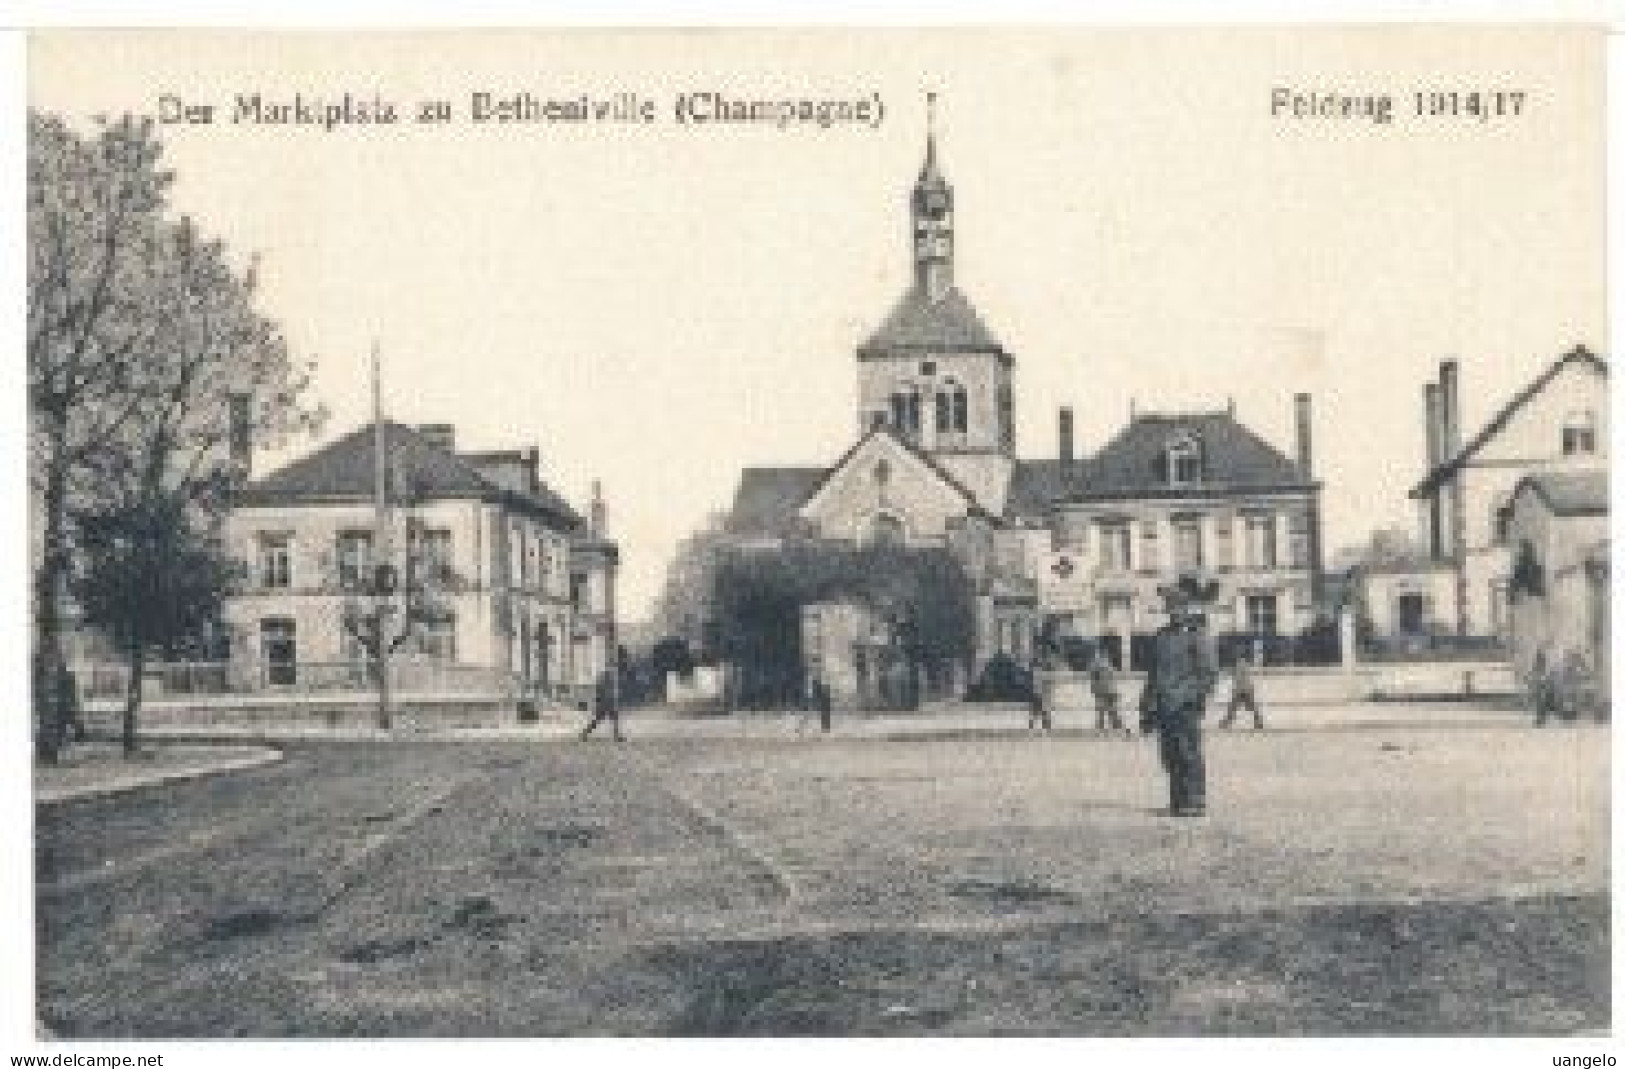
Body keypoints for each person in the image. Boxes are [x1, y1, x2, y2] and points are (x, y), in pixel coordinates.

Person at [1139, 577, 1220, 817]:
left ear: (1185, 609)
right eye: (1169, 607)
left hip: (1185, 705)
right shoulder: (1160, 637)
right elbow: (1153, 675)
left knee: (1189, 752)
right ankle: (1177, 801)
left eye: (1177, 607)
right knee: (1169, 754)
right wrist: (1147, 707)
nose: (1173, 612)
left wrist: (1192, 698)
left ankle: (1195, 801)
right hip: (1164, 705)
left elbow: (1208, 672)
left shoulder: (1197, 635)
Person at [1219, 644, 1265, 729]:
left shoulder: (1240, 664)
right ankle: (1258, 722)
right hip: (1245, 689)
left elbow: (1239, 677)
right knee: (1247, 707)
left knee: (1233, 707)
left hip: (1242, 689)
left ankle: (1225, 723)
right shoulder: (1243, 664)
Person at [1089, 648, 1129, 734]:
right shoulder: (1107, 666)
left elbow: (1094, 678)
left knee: (1103, 709)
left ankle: (1106, 726)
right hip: (1108, 690)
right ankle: (1113, 725)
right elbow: (1112, 678)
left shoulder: (1097, 665)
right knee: (1109, 709)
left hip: (1104, 690)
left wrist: (1094, 689)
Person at [578, 667, 624, 742]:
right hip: (606, 704)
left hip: (608, 703)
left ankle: (616, 736)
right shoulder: (608, 680)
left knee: (613, 719)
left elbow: (606, 692)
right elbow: (601, 692)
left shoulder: (610, 680)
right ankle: (585, 733)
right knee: (599, 720)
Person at [1027, 663, 1052, 732]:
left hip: (1036, 694)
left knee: (1036, 711)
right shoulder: (1041, 674)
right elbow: (1046, 684)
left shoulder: (1035, 674)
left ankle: (1032, 725)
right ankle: (1045, 725)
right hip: (1040, 694)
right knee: (1042, 711)